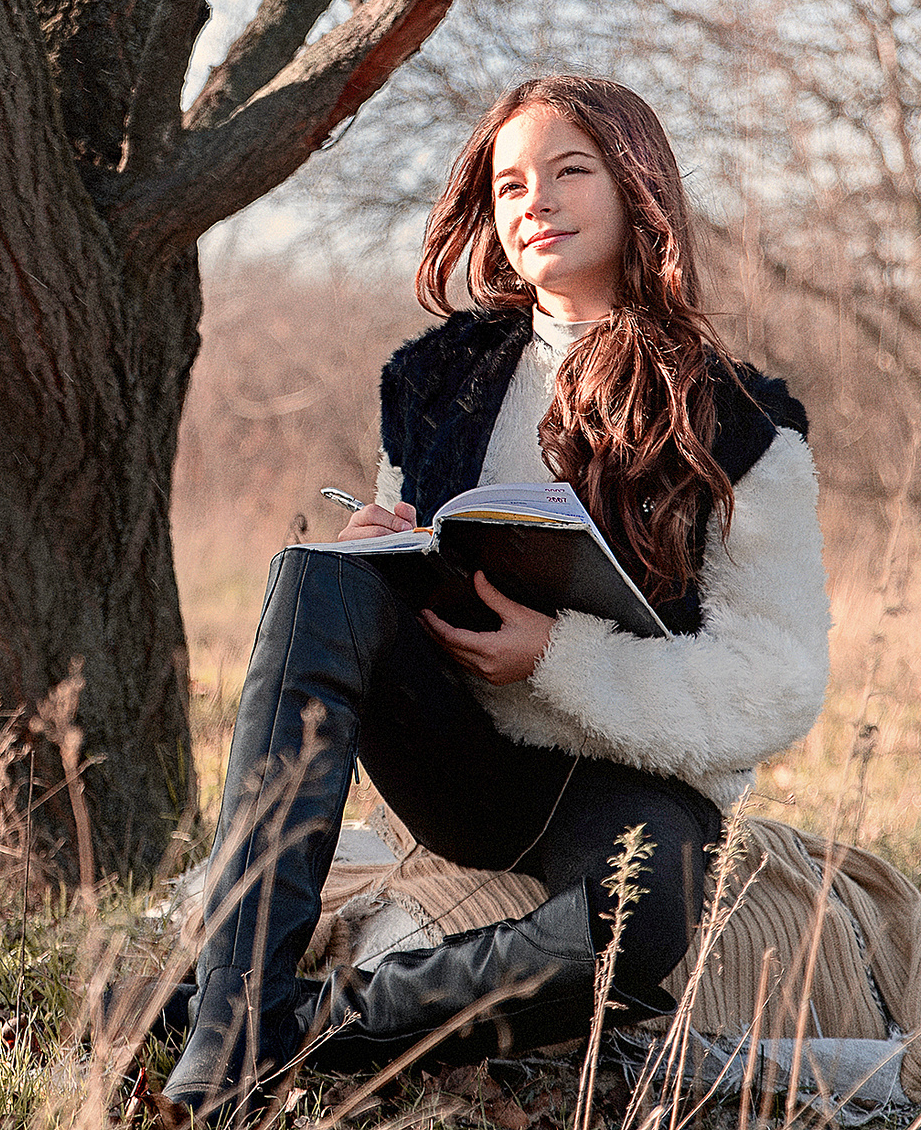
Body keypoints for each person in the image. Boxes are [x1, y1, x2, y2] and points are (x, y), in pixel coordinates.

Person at [162, 76, 830, 1120]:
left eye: (570, 170)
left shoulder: (738, 423)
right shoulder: (438, 379)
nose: (535, 200)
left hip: (627, 786)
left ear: (635, 189)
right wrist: (386, 548)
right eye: (509, 181)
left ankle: (294, 1022)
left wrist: (558, 656)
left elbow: (779, 679)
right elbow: (410, 555)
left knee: (636, 930)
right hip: (457, 754)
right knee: (318, 574)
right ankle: (231, 1020)